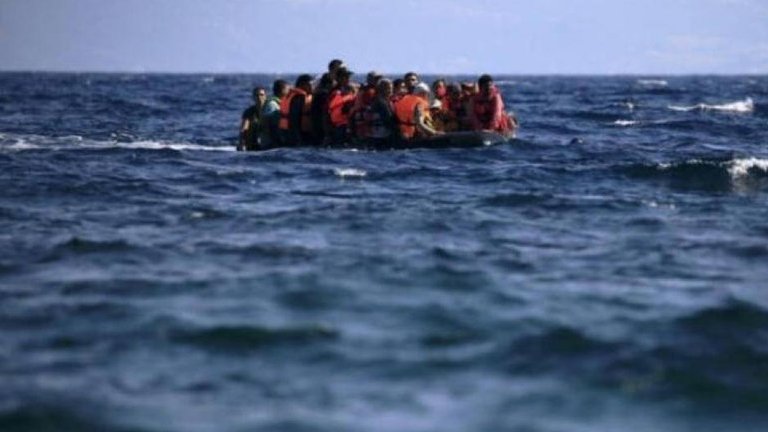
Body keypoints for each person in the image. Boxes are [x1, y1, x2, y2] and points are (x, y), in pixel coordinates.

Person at [279, 74, 314, 146]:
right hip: (296, 133)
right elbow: (294, 117)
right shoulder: (299, 97)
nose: (312, 87)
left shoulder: (292, 94)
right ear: (302, 85)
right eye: (309, 85)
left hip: (286, 130)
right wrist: (297, 137)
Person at [327, 68, 357, 145]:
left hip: (349, 123)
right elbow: (331, 106)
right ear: (339, 78)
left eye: (348, 77)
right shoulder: (335, 92)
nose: (348, 79)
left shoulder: (349, 90)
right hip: (339, 125)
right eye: (345, 77)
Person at [349, 71, 382, 140]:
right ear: (370, 80)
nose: (378, 81)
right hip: (365, 118)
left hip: (361, 117)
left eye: (379, 79)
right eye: (376, 79)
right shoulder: (370, 91)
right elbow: (369, 105)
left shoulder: (364, 89)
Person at [367, 78, 399, 147]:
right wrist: (398, 130)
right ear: (381, 89)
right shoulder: (381, 102)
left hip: (377, 135)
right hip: (381, 136)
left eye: (391, 88)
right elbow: (387, 119)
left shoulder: (382, 100)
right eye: (388, 88)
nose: (391, 91)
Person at [260, 79, 289, 148]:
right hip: (270, 143)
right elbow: (266, 123)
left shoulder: (279, 103)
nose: (289, 91)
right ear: (282, 90)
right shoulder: (272, 104)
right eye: (287, 89)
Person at [238, 87, 267, 151]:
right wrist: (241, 143)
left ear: (265, 96)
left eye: (261, 95)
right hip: (253, 143)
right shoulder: (249, 111)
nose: (259, 97)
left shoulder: (270, 109)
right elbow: (244, 128)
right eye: (257, 95)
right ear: (253, 97)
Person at [310, 73, 334, 145]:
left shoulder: (317, 93)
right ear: (328, 84)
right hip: (321, 126)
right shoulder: (324, 95)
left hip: (315, 124)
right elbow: (324, 113)